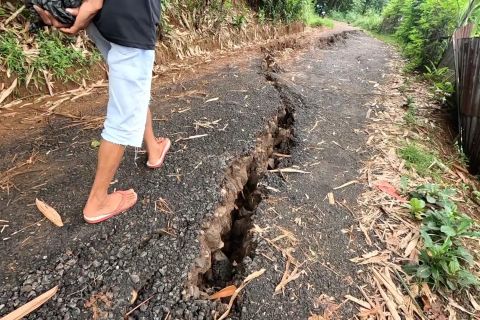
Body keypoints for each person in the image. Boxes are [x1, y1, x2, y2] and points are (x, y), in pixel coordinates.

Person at [34, 0, 170, 224]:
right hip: (131, 16)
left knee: (131, 91)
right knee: (125, 108)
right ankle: (97, 201)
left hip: (106, 19)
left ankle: (153, 148)